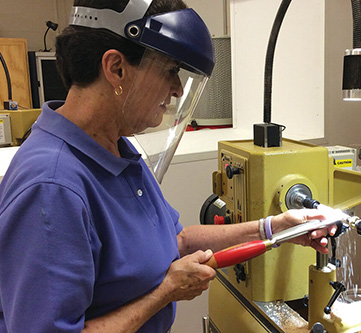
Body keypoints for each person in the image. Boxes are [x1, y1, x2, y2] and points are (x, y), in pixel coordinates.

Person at [0, 0, 336, 332]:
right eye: (170, 70)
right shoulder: (51, 187)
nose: (176, 89)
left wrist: (277, 228)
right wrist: (165, 293)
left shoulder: (115, 147)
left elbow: (176, 241)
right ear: (116, 68)